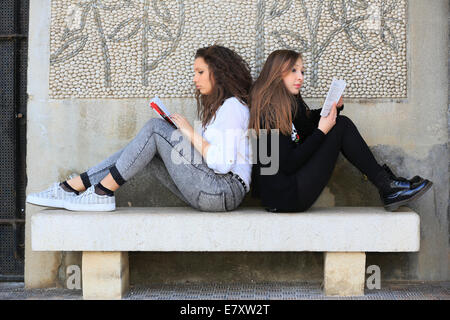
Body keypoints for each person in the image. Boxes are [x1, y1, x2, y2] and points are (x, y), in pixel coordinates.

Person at [27, 45, 253, 212]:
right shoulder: (219, 109)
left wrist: (188, 132)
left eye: (200, 72)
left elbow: (221, 164)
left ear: (219, 72)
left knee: (155, 129)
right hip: (211, 190)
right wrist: (177, 133)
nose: (195, 79)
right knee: (146, 149)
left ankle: (99, 192)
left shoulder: (233, 107)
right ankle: (77, 186)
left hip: (223, 191)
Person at [249, 49, 432, 212]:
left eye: (302, 71)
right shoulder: (268, 112)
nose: (301, 77)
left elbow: (305, 124)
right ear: (276, 72)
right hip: (285, 197)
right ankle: (388, 187)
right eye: (293, 70)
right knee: (341, 126)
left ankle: (387, 185)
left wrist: (330, 109)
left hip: (284, 192)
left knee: (339, 123)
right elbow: (287, 164)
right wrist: (321, 132)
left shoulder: (283, 104)